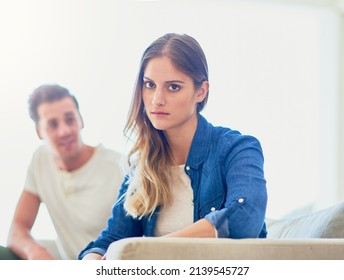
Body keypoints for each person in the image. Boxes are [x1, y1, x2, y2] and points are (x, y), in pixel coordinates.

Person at [79, 33, 268, 260]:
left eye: (173, 87)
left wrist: (149, 250)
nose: (157, 99)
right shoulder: (141, 165)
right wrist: (94, 262)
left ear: (201, 91)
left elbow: (244, 218)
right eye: (149, 85)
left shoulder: (237, 148)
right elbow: (109, 241)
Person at [1, 84, 123, 260]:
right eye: (52, 124)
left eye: (70, 119)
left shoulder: (120, 167)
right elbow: (18, 228)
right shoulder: (40, 161)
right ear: (39, 131)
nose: (64, 131)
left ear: (81, 120)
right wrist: (33, 251)